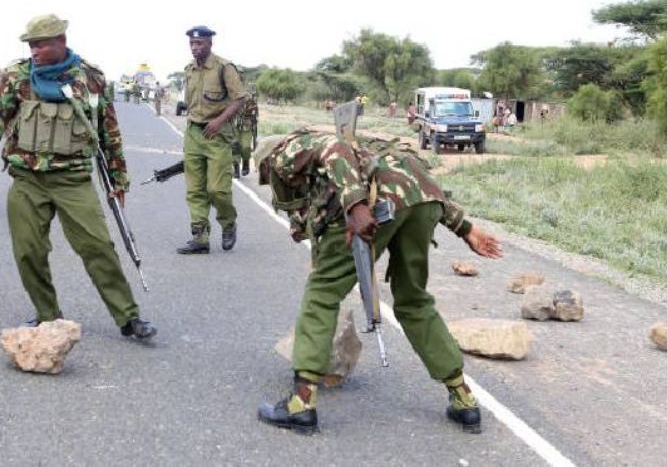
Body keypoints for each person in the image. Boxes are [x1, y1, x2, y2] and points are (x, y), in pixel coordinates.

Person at [253, 127, 503, 434]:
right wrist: (465, 228)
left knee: (322, 292)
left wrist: (356, 207)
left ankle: (301, 405)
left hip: (381, 204)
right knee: (414, 301)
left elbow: (335, 147)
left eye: (267, 177)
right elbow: (410, 179)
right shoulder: (361, 151)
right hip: (423, 201)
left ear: (267, 163)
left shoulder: (286, 151)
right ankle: (464, 400)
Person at [0, 14, 155, 340]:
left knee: (98, 247)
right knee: (29, 251)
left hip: (73, 180)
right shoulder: (16, 77)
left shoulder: (91, 80)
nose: (35, 51)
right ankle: (47, 315)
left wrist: (118, 180)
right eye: (31, 45)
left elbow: (108, 132)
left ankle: (128, 317)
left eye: (41, 44)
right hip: (27, 179)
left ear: (61, 43)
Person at [176, 25, 247, 254]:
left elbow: (239, 99)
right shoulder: (189, 70)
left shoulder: (224, 68)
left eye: (199, 43)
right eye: (192, 44)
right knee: (195, 189)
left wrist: (219, 121)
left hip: (216, 134)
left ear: (210, 43)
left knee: (217, 189)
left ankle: (228, 223)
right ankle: (200, 238)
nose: (195, 48)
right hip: (194, 134)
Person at [233, 87, 258, 178]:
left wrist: (254, 127)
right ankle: (236, 169)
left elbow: (254, 114)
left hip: (246, 127)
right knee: (235, 147)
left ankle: (246, 163)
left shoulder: (249, 97)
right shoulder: (229, 94)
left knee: (245, 147)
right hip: (234, 126)